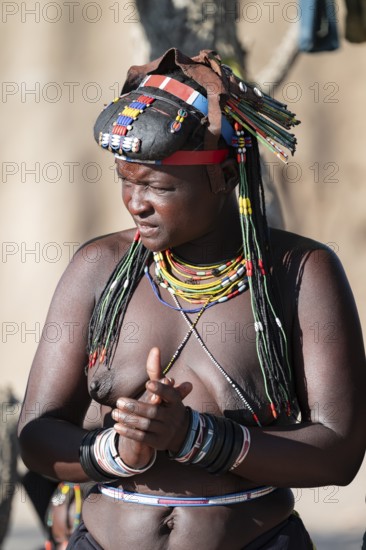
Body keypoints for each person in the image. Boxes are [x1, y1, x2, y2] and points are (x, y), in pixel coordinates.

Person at [18, 49, 366, 549]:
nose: (136, 203)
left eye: (158, 185)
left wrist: (197, 439)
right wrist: (117, 452)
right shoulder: (98, 268)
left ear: (223, 178)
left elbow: (339, 454)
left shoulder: (300, 274)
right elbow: (35, 435)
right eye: (125, 180)